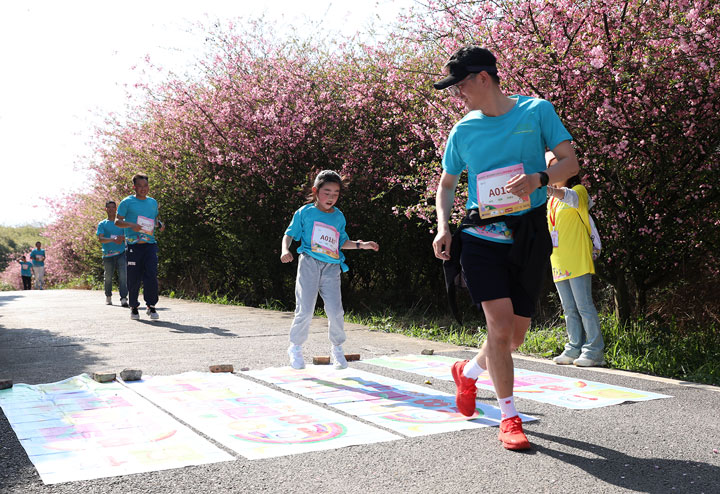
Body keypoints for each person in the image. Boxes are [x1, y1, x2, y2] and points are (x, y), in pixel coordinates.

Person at [432, 45, 579, 450]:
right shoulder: (463, 130)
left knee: (514, 337)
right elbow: (447, 185)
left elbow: (570, 163)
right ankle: (509, 416)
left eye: (460, 86)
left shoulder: (536, 112)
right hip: (481, 236)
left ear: (483, 78)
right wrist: (443, 227)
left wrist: (537, 178)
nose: (457, 95)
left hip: (529, 233)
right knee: (496, 327)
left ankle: (469, 372)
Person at [280, 170, 379, 370]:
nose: (331, 197)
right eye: (327, 192)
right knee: (305, 309)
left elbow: (341, 242)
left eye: (335, 193)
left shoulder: (339, 217)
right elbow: (289, 234)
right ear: (316, 191)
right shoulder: (305, 212)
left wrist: (362, 245)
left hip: (332, 267)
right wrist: (285, 249)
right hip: (309, 263)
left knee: (336, 311)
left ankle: (337, 348)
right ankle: (296, 348)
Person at [546, 153, 605, 367]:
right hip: (558, 260)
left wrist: (548, 188)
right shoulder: (550, 201)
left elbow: (571, 198)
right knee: (569, 309)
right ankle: (573, 348)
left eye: (557, 168)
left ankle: (594, 351)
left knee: (584, 306)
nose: (553, 173)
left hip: (578, 258)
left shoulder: (578, 191)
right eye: (550, 169)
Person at [115, 173, 165, 320]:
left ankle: (151, 306)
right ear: (134, 187)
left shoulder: (153, 202)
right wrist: (131, 225)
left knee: (151, 275)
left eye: (145, 186)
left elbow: (154, 220)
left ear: (148, 186)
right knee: (134, 278)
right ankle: (134, 307)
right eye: (140, 186)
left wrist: (160, 225)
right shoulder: (127, 202)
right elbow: (118, 222)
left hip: (150, 244)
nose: (143, 189)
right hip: (133, 245)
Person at [97, 200, 129, 307]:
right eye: (109, 207)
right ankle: (108, 296)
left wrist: (122, 238)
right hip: (107, 255)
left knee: (123, 276)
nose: (111, 209)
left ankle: (124, 298)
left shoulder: (121, 223)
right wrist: (113, 239)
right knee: (108, 277)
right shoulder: (102, 224)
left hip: (121, 253)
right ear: (105, 209)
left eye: (113, 207)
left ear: (116, 209)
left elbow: (129, 236)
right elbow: (101, 239)